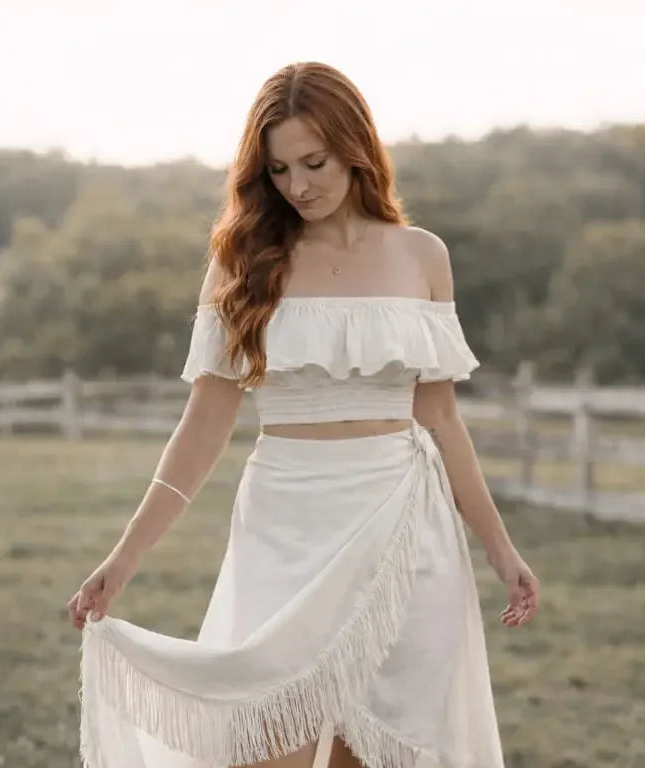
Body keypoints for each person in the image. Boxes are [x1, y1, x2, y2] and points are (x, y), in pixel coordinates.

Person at [69, 61, 540, 768]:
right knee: (266, 746)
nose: (299, 185)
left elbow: (441, 419)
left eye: (314, 162)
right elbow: (205, 423)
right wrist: (124, 556)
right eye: (281, 169)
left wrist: (502, 552)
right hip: (285, 525)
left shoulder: (423, 256)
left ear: (356, 147)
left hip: (406, 532)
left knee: (381, 747)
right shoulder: (242, 261)